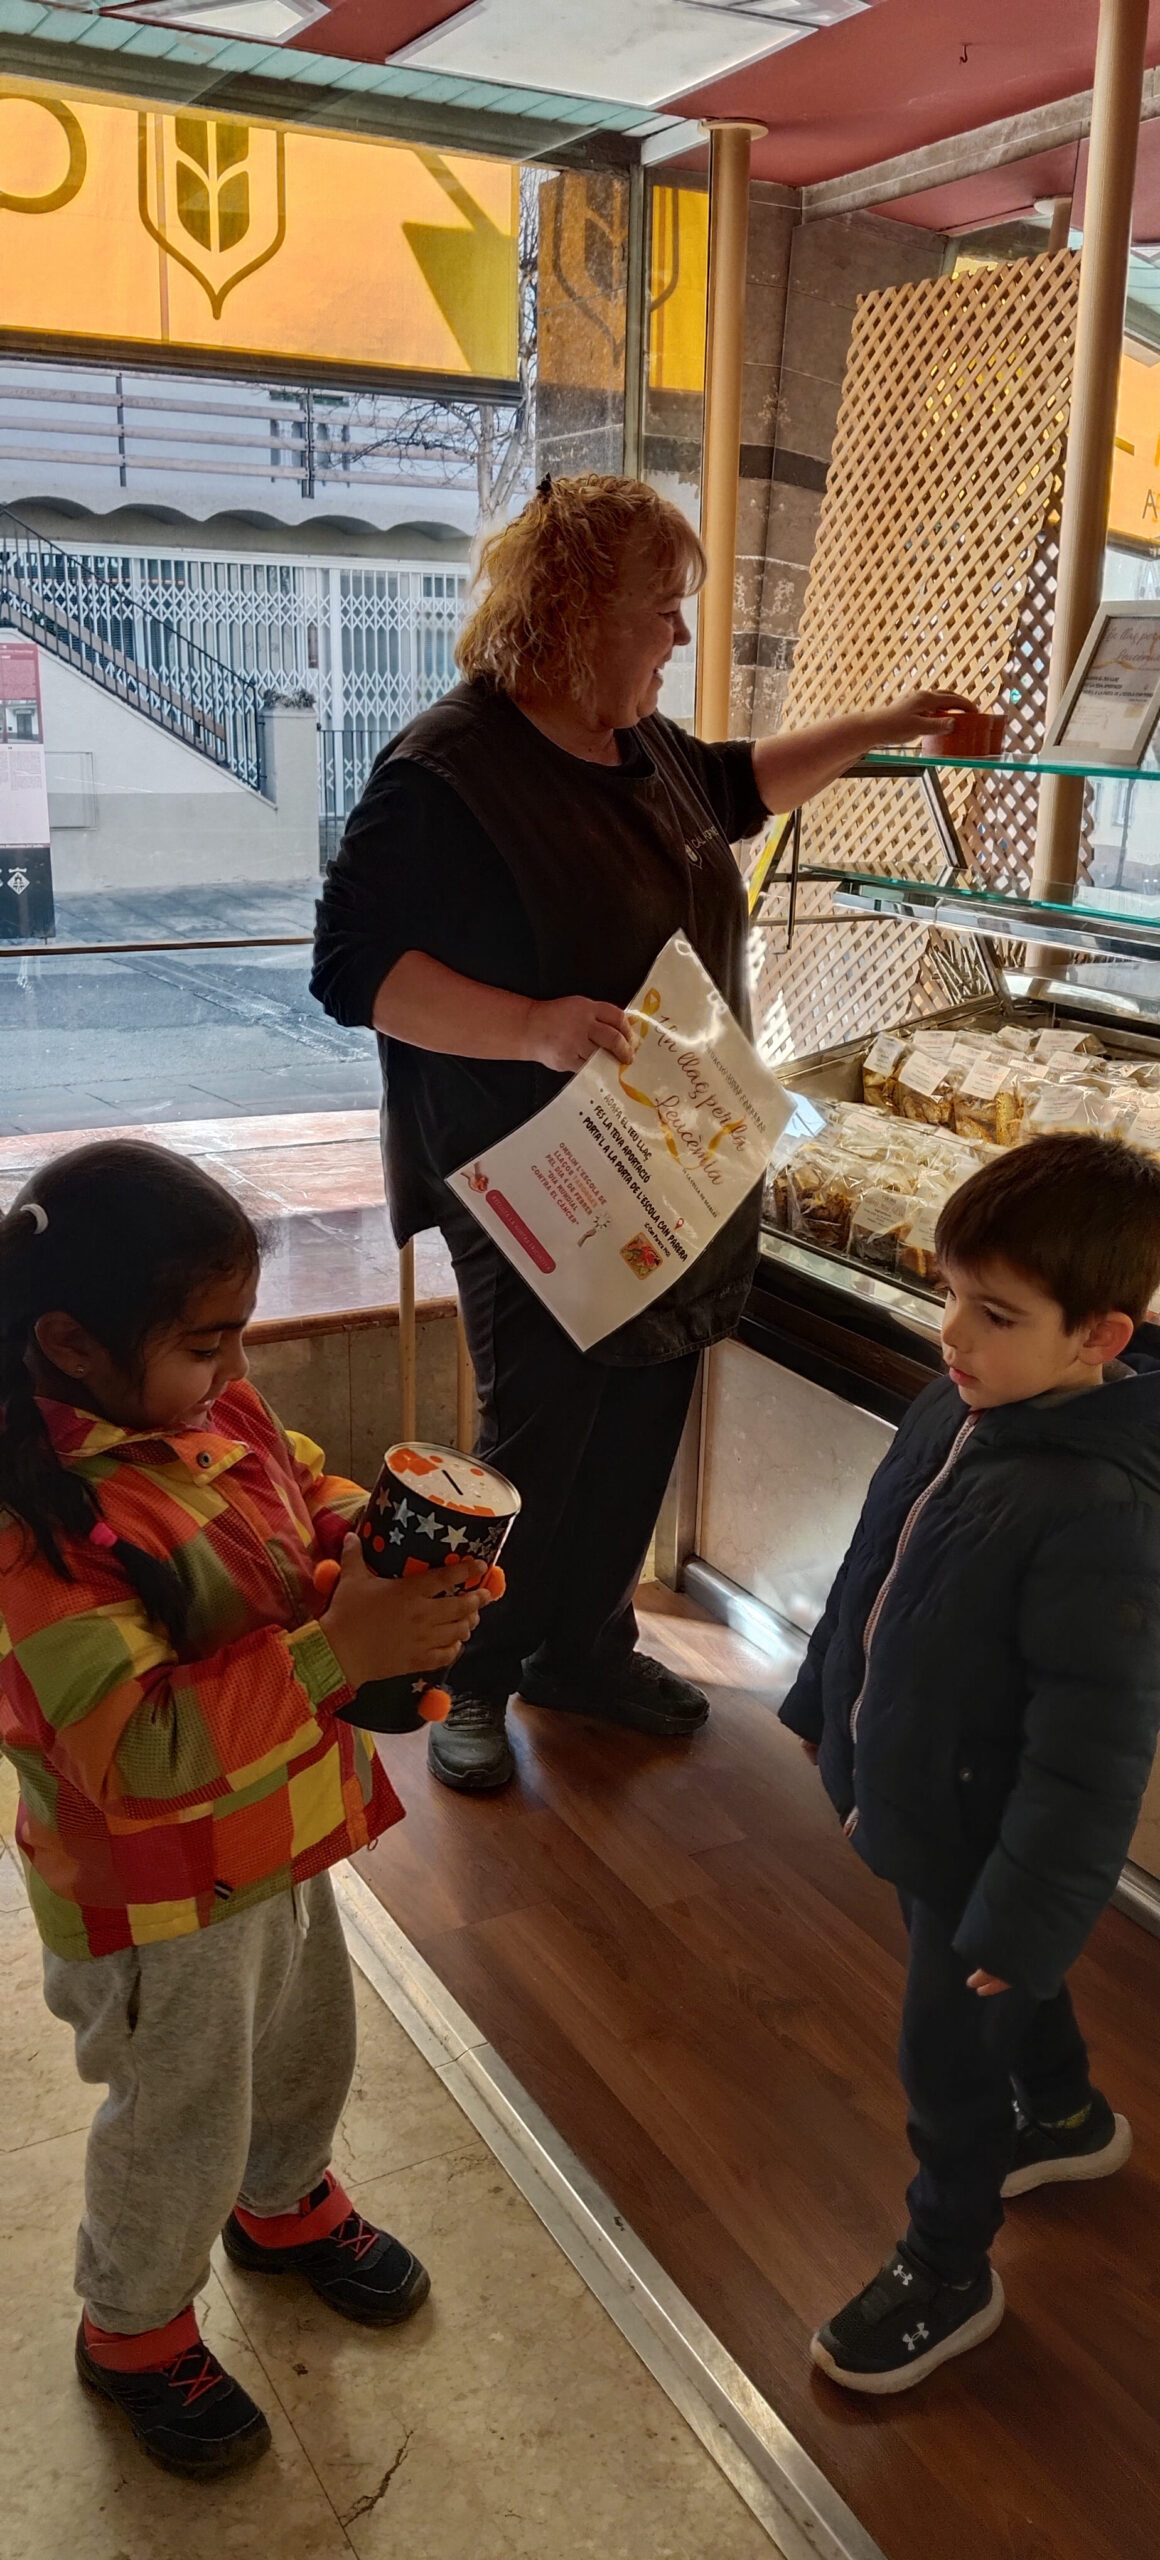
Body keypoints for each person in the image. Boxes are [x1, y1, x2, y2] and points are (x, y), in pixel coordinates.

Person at [312, 470, 971, 1795]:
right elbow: (352, 968)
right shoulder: (449, 770)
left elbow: (741, 784)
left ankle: (583, 1649)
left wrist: (888, 724)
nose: (678, 634)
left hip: (667, 1169)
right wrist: (531, 1027)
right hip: (531, 1176)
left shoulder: (640, 742)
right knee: (541, 1432)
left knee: (642, 1412)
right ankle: (470, 1675)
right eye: (659, 609)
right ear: (569, 613)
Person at [0, 1141, 491, 2479]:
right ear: (70, 1343)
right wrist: (339, 1653)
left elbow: (294, 1482)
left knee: (303, 2034)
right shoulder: (35, 1525)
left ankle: (283, 2204)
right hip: (153, 1898)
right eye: (206, 1343)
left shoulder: (214, 1409)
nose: (234, 1370)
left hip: (279, 1824)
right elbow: (137, 1752)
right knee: (181, 2108)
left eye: (237, 1338)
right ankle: (134, 2327)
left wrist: (368, 1545)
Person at [779, 1135, 1160, 2395]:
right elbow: (874, 1565)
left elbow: (1093, 1746)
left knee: (946, 2058)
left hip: (984, 1836)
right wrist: (821, 1695)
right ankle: (1064, 2116)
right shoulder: (959, 1404)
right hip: (916, 1790)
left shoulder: (1099, 1505)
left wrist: (1029, 1909)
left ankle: (946, 2264)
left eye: (993, 1313)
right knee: (999, 1986)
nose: (951, 1331)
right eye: (950, 1293)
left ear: (1098, 1336)